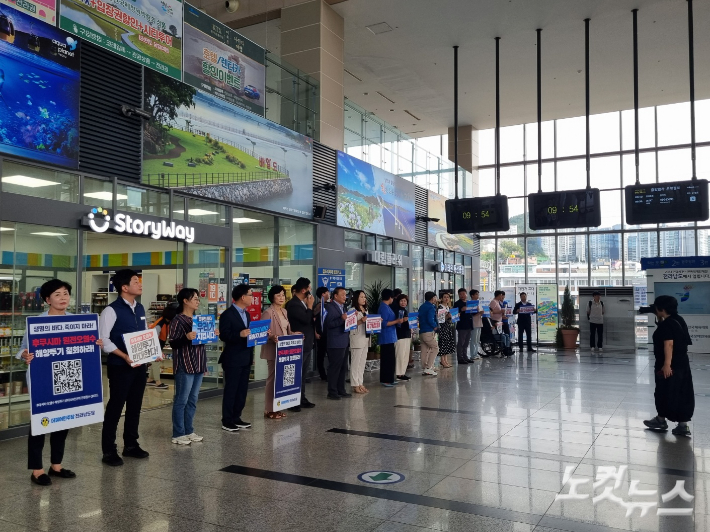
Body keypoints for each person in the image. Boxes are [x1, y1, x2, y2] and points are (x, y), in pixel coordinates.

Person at [18, 280, 102, 485]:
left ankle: (56, 465)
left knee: (63, 421)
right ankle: (37, 470)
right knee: (39, 425)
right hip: (44, 380)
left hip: (68, 377)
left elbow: (84, 347)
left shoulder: (77, 321)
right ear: (47, 300)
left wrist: (95, 343)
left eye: (66, 293)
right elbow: (21, 349)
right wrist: (25, 355)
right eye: (57, 294)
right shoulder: (37, 322)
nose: (63, 297)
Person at [100, 269, 155, 466]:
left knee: (135, 405)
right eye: (135, 281)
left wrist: (152, 353)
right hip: (120, 366)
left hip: (139, 366)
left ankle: (131, 444)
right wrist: (124, 356)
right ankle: (108, 450)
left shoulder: (140, 308)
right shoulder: (111, 310)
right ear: (124, 287)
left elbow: (143, 335)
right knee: (115, 406)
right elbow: (103, 340)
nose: (140, 284)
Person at [643, 296, 694, 437]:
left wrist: (666, 365)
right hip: (682, 363)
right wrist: (660, 318)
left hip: (669, 365)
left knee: (663, 391)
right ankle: (682, 425)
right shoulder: (678, 320)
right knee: (683, 392)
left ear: (662, 309)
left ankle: (660, 420)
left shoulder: (667, 324)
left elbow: (669, 343)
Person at [169, 288, 214, 445]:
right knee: (181, 399)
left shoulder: (198, 319)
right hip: (185, 364)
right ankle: (178, 433)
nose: (197, 301)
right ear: (185, 301)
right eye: (194, 298)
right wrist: (186, 337)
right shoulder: (178, 320)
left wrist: (212, 333)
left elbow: (203, 340)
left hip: (199, 363)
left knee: (193, 399)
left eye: (198, 298)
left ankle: (189, 430)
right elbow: (173, 342)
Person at [219, 284, 258, 432]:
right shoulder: (227, 314)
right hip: (233, 358)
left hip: (246, 357)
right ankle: (227, 420)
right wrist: (239, 335)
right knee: (231, 390)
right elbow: (224, 335)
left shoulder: (246, 314)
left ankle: (237, 417)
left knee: (242, 391)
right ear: (243, 297)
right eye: (250, 295)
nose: (252, 298)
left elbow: (248, 334)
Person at [262, 285, 293, 419]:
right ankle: (269, 409)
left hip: (285, 350)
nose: (281, 298)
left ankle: (278, 407)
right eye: (278, 295)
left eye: (283, 295)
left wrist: (295, 335)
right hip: (273, 350)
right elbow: (262, 333)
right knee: (272, 379)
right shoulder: (268, 312)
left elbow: (287, 331)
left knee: (281, 380)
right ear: (272, 297)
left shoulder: (285, 312)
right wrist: (271, 337)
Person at [285, 277, 316, 411]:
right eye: (308, 288)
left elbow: (310, 319)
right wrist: (310, 307)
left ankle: (301, 398)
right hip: (298, 343)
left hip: (307, 342)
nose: (310, 290)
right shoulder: (293, 304)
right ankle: (293, 401)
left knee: (303, 373)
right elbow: (304, 319)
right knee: (297, 373)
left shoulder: (302, 303)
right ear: (303, 290)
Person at [324, 287, 351, 399]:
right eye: (343, 295)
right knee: (334, 368)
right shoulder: (330, 307)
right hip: (335, 342)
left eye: (346, 295)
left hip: (344, 340)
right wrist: (342, 319)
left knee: (343, 367)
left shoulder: (343, 307)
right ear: (335, 296)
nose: (345, 297)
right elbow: (328, 324)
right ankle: (332, 392)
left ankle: (341, 389)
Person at [147, 303, 178, 390]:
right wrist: (157, 350)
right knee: (156, 362)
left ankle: (150, 379)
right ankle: (158, 382)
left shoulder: (165, 321)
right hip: (155, 345)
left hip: (159, 344)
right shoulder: (160, 324)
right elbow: (154, 337)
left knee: (155, 362)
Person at [378, 289, 402, 387]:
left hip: (390, 336)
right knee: (387, 359)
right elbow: (383, 323)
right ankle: (385, 379)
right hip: (386, 337)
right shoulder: (383, 308)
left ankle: (390, 378)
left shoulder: (387, 307)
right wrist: (397, 321)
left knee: (391, 359)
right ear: (390, 297)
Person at [349, 290, 369, 394]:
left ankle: (360, 383)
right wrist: (361, 321)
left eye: (364, 297)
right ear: (356, 298)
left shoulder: (365, 309)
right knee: (355, 363)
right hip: (356, 338)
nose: (363, 299)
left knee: (362, 363)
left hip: (365, 338)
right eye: (361, 297)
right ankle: (355, 384)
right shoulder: (352, 310)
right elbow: (350, 325)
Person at [419, 292, 439, 375]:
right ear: (432, 298)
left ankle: (425, 367)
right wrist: (435, 326)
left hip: (422, 331)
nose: (436, 299)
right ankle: (428, 367)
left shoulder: (422, 306)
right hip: (428, 331)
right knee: (435, 348)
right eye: (435, 297)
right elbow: (430, 319)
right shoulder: (431, 307)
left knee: (424, 350)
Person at [392, 293, 411, 381]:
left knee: (405, 355)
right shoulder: (396, 310)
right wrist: (403, 320)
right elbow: (397, 324)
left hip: (407, 334)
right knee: (400, 354)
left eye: (405, 301)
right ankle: (399, 373)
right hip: (400, 335)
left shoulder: (405, 310)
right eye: (401, 301)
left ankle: (403, 372)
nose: (403, 302)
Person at [314, 287, 330, 381]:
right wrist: (315, 332)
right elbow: (314, 320)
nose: (329, 294)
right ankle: (322, 374)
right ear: (323, 294)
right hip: (321, 334)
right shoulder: (319, 306)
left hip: (328, 333)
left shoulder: (329, 305)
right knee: (321, 354)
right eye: (327, 292)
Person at [453, 288, 473, 364]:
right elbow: (454, 314)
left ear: (466, 294)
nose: (462, 296)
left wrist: (477, 310)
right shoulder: (457, 303)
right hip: (462, 325)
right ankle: (460, 358)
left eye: (463, 294)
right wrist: (461, 310)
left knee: (466, 342)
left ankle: (465, 357)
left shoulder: (469, 303)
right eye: (460, 294)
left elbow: (472, 313)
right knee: (461, 342)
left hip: (469, 324)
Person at [437, 292, 455, 369]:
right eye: (445, 297)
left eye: (448, 297)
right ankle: (442, 360)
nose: (446, 298)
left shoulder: (447, 307)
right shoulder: (440, 307)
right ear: (441, 298)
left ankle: (446, 360)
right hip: (442, 326)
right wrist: (446, 316)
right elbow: (440, 319)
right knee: (443, 343)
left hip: (447, 326)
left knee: (447, 343)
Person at [468, 289, 482, 361]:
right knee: (473, 339)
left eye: (478, 294)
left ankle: (476, 353)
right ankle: (472, 354)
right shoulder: (471, 303)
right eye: (476, 294)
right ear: (472, 295)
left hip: (479, 322)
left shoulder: (478, 303)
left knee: (477, 340)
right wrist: (480, 313)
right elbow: (472, 313)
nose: (477, 296)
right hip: (474, 323)